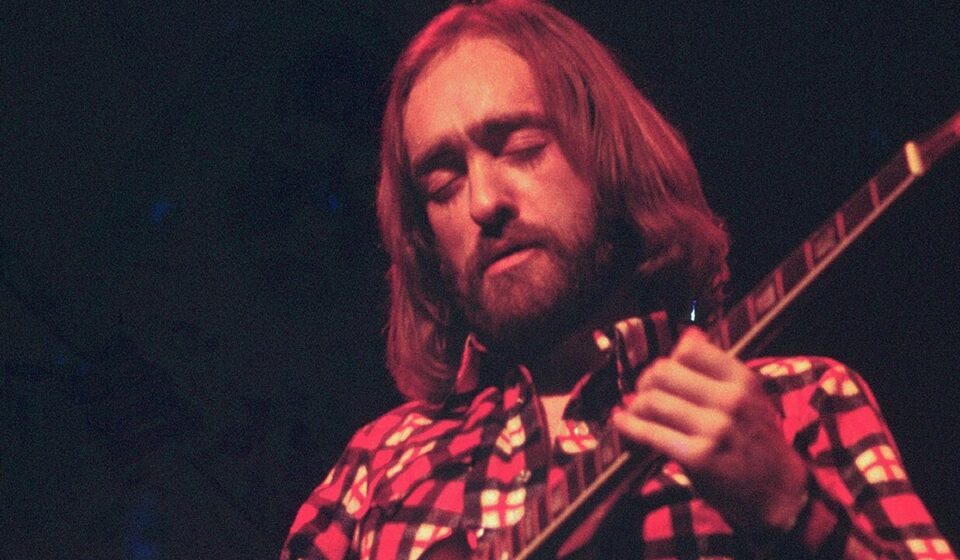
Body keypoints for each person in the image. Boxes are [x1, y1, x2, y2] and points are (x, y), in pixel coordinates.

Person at [282, 1, 954, 558]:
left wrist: (791, 509)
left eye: (522, 147)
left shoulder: (800, 404)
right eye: (442, 183)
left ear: (610, 157)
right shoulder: (378, 468)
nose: (483, 201)